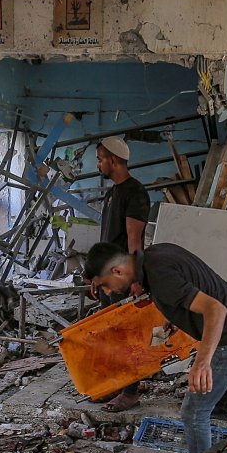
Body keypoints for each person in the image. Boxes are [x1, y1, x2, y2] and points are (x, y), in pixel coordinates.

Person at [83, 241, 227, 453]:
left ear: (117, 271)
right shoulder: (156, 254)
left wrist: (202, 362)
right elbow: (193, 283)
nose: (107, 292)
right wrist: (175, 314)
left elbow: (215, 310)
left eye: (105, 286)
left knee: (193, 413)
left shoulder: (160, 276)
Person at [94, 135, 152, 412]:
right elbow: (107, 239)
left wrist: (136, 279)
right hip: (109, 278)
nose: (98, 164)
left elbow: (134, 241)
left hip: (122, 279)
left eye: (100, 159)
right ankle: (118, 385)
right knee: (112, 336)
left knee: (127, 336)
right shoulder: (112, 193)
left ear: (113, 160)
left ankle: (130, 392)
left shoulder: (135, 193)